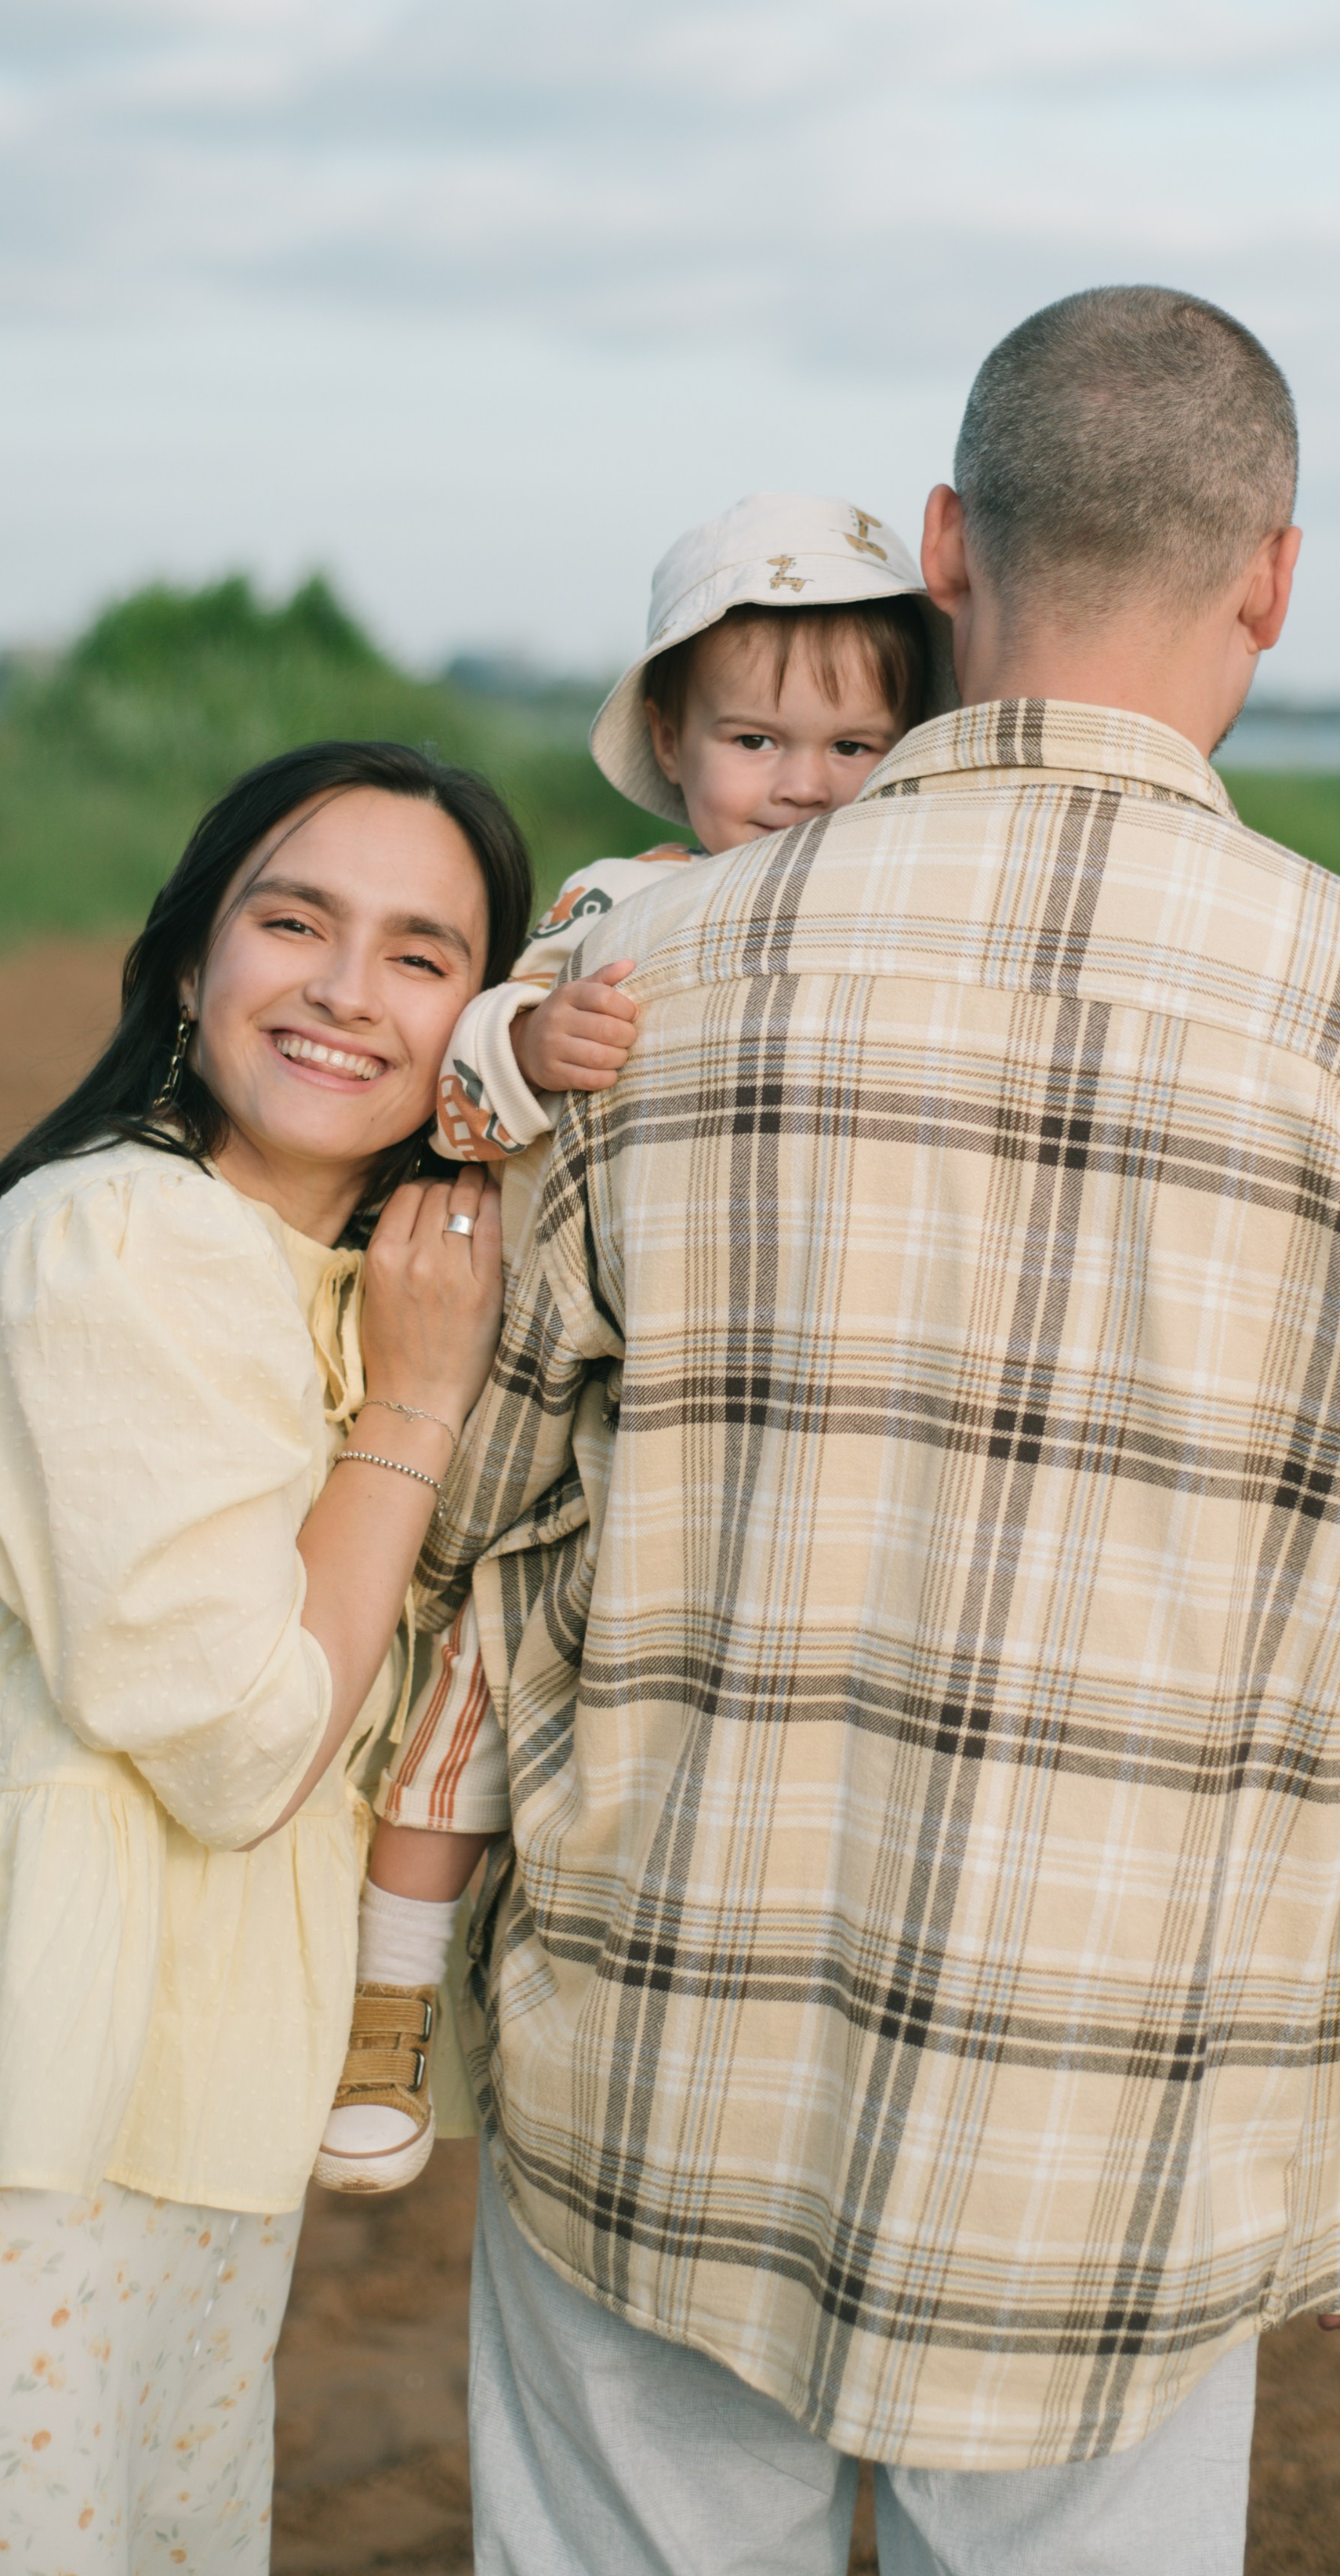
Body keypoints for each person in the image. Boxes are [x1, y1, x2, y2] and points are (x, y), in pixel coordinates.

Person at [423, 288, 1340, 2576]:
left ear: (950, 546)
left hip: (655, 2076)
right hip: (1129, 2142)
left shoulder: (635, 993)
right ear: (1270, 574)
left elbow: (489, 1504)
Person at [0, 739, 531, 2576]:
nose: (340, 990)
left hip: (155, 2101)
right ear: (187, 957)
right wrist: (418, 1411)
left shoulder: (326, 1274)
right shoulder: (120, 1247)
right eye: (291, 920)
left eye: (417, 952)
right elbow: (239, 1742)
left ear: (479, 1022)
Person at [319, 493, 955, 2194]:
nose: (801, 780)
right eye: (752, 736)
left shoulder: (904, 915)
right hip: (532, 1367)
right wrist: (533, 1030)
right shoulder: (616, 903)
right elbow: (459, 1086)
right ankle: (384, 2011)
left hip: (724, 1394)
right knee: (458, 1698)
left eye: (851, 741)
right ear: (669, 737)